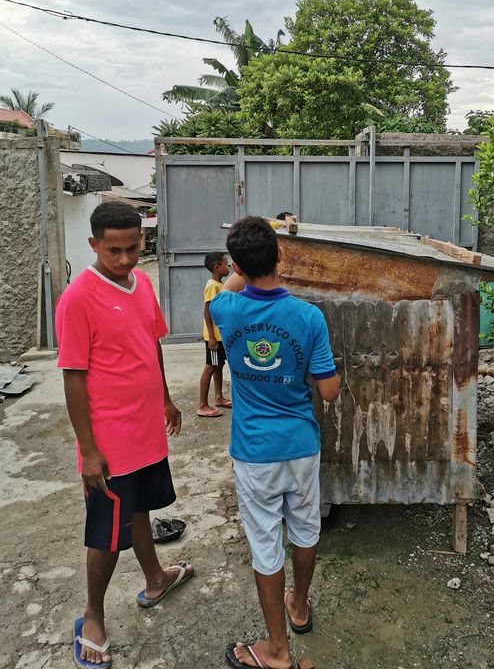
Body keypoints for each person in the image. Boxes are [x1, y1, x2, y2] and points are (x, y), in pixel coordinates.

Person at [56, 201, 193, 669]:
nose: (126, 259)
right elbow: (73, 376)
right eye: (114, 250)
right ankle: (92, 616)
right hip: (109, 442)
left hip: (145, 430)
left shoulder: (142, 283)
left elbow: (149, 342)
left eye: (134, 248)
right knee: (107, 534)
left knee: (141, 509)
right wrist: (89, 451)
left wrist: (166, 399)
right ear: (94, 244)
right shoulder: (77, 298)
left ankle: (155, 578)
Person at [210, 216, 340, 669]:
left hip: (254, 451)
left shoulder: (225, 311)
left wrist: (239, 271)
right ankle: (299, 606)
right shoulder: (309, 316)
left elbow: (227, 289)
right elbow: (329, 391)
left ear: (237, 266)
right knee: (305, 529)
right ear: (280, 256)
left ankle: (277, 650)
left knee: (266, 544)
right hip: (301, 444)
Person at [198, 251, 231, 417]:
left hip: (220, 336)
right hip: (214, 337)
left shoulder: (220, 285)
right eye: (226, 264)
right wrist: (211, 336)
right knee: (211, 367)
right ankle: (202, 405)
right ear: (217, 268)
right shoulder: (212, 285)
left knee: (219, 365)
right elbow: (208, 311)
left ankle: (219, 397)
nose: (229, 266)